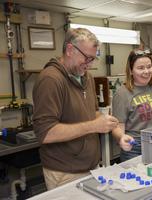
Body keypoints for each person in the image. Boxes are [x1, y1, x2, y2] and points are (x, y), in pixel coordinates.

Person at [32, 28, 121, 190]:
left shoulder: (86, 76)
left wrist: (105, 122)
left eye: (93, 59)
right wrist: (94, 126)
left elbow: (91, 113)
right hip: (65, 172)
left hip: (90, 167)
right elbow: (45, 133)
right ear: (70, 50)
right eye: (87, 58)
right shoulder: (50, 79)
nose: (90, 65)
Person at [112, 48, 152, 162]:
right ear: (130, 70)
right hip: (135, 148)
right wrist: (121, 137)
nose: (146, 71)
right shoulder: (122, 93)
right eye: (140, 68)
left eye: (149, 67)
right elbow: (117, 127)